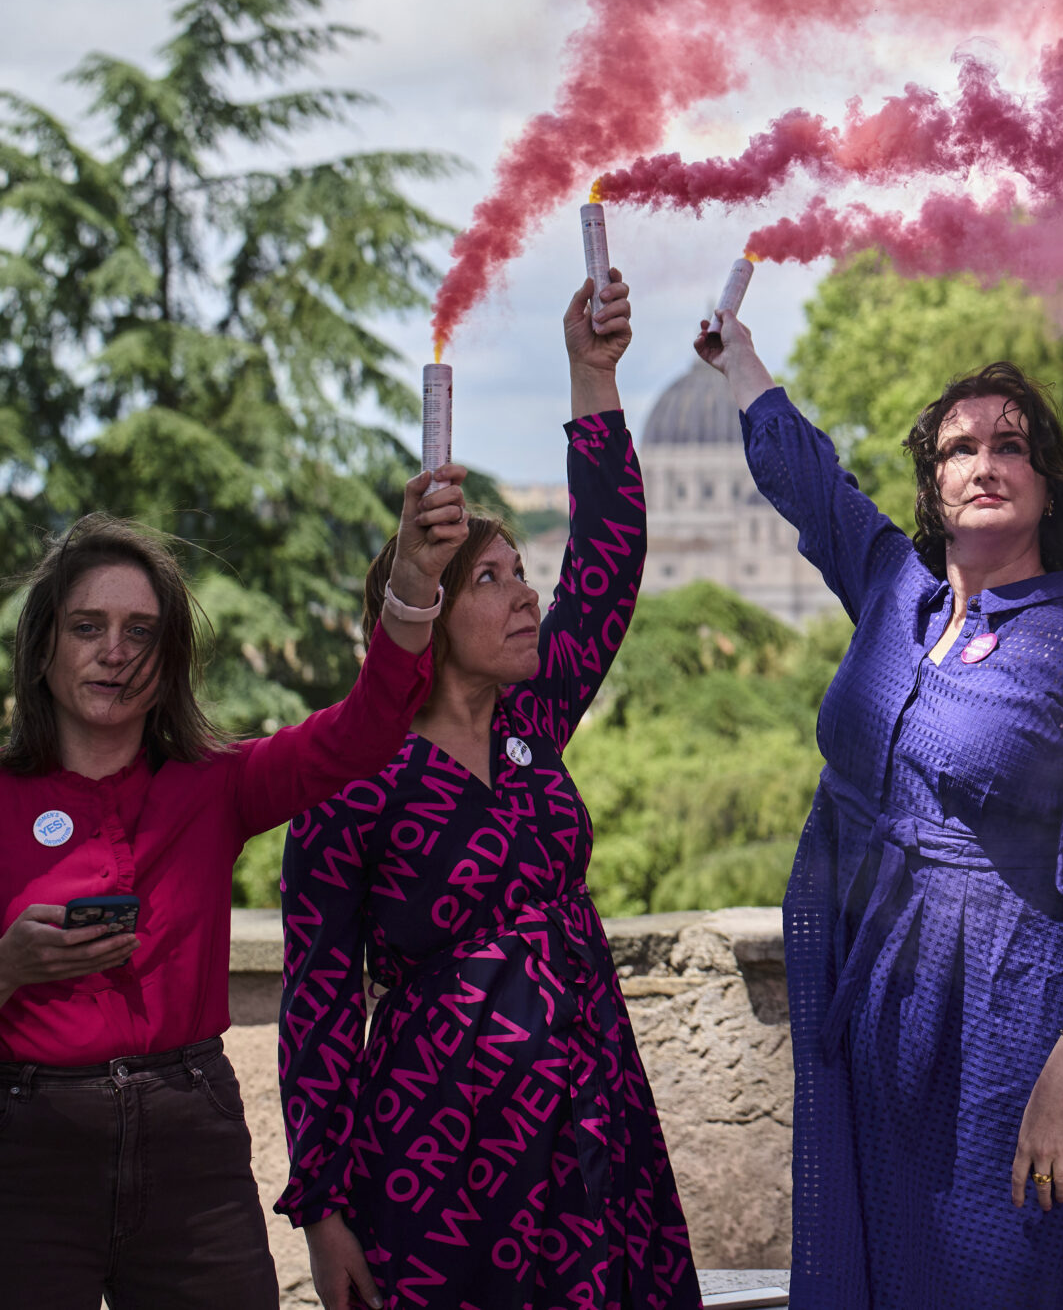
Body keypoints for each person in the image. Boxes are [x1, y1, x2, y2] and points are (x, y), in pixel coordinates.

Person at [693, 308, 1063, 1310]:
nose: (985, 462)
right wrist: (743, 362)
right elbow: (811, 484)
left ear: (1048, 480)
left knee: (1012, 1275)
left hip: (1021, 1034)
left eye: (1010, 446)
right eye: (958, 448)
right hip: (889, 1030)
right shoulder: (896, 594)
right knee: (901, 1277)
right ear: (933, 483)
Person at [276, 270, 700, 1310]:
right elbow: (319, 1000)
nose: (528, 595)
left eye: (521, 571)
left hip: (593, 1120)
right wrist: (323, 1210)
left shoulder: (535, 720)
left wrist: (589, 373)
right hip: (438, 1155)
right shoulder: (349, 779)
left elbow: (609, 555)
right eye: (492, 579)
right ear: (422, 606)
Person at [0, 478, 464, 1309]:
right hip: (28, 1146)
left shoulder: (217, 786)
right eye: (87, 627)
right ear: (43, 650)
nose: (115, 650)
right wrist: (8, 966)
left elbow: (365, 727)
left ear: (168, 659)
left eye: (141, 631)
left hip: (192, 1145)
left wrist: (414, 583)